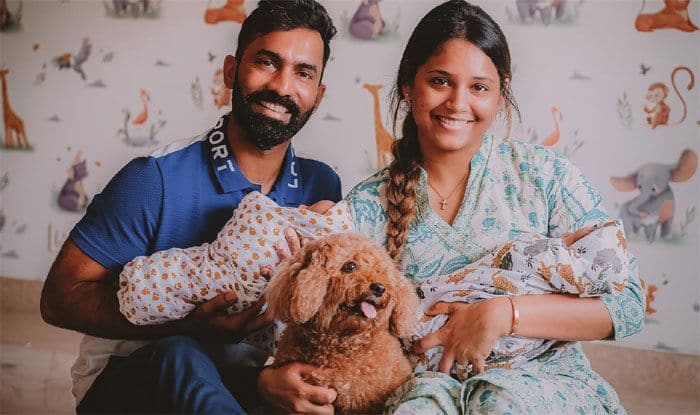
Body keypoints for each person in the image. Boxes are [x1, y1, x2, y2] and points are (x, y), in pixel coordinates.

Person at [262, 1, 644, 413]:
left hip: (542, 381)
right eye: (440, 81)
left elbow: (627, 305)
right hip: (426, 386)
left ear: (501, 94)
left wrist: (503, 314)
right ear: (409, 85)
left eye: (479, 87)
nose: (458, 103)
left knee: (499, 405)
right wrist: (268, 379)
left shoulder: (545, 176)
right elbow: (320, 321)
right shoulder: (368, 206)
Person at [40, 1, 341, 413]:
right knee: (180, 353)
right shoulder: (155, 177)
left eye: (303, 73)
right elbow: (59, 299)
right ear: (231, 71)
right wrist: (187, 323)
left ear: (318, 96)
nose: (282, 86)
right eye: (267, 62)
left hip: (245, 383)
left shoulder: (322, 187)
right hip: (136, 380)